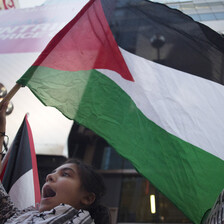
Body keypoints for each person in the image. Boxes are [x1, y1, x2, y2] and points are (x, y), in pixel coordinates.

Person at [0, 103, 111, 224]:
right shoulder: (22, 217)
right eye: (53, 172)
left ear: (87, 198)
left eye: (66, 174)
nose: (49, 177)